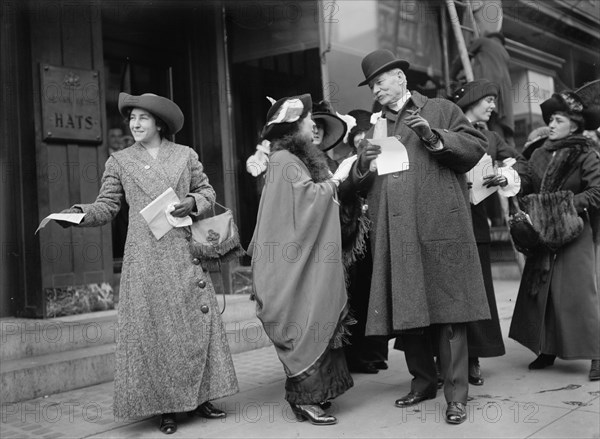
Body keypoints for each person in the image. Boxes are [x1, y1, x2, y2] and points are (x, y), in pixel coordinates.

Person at [59, 92, 239, 434]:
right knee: (155, 333)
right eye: (131, 119)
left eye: (142, 118)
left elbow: (208, 191)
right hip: (145, 261)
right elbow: (108, 205)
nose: (135, 124)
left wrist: (192, 201)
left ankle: (201, 397)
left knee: (192, 329)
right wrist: (80, 214)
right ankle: (165, 407)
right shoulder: (120, 161)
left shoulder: (185, 156)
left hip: (184, 254)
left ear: (159, 123)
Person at [350, 49, 490, 425]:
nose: (376, 89)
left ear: (400, 77)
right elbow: (361, 185)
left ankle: (456, 395)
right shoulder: (375, 126)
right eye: (372, 85)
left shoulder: (441, 109)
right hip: (396, 230)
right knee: (408, 308)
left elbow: (475, 148)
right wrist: (362, 163)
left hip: (440, 227)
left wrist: (433, 135)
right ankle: (422, 382)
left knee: (450, 311)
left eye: (380, 81)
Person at [248, 94, 355, 426]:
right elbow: (308, 201)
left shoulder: (291, 160)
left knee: (316, 317)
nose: (314, 124)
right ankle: (303, 400)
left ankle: (317, 394)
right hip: (289, 266)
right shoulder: (284, 161)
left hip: (304, 262)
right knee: (304, 321)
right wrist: (337, 180)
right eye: (309, 119)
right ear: (295, 124)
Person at [508, 90, 600, 381]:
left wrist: (562, 206)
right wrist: (513, 181)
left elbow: (596, 192)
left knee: (578, 296)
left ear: (573, 124)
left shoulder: (586, 152)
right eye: (549, 119)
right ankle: (546, 349)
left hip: (575, 230)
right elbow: (526, 182)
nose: (551, 124)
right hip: (542, 233)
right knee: (543, 293)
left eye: (558, 119)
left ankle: (597, 354)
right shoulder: (538, 152)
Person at [453, 79, 527, 386]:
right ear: (472, 100)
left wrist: (503, 175)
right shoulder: (448, 128)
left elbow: (520, 164)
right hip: (445, 223)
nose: (493, 105)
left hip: (476, 223)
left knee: (478, 292)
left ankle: (473, 358)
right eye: (489, 99)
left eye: (495, 100)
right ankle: (445, 357)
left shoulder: (493, 137)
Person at [341, 109, 390, 374]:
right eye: (359, 137)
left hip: (377, 233)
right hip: (355, 239)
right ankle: (357, 354)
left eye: (367, 137)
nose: (363, 141)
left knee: (377, 292)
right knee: (358, 295)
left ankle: (376, 353)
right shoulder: (347, 164)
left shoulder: (382, 159)